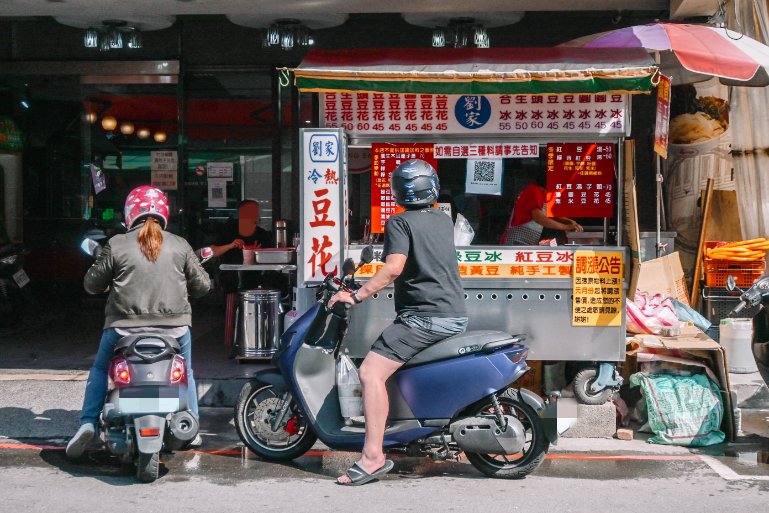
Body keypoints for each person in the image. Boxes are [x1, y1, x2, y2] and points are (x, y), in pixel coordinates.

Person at [328, 159, 468, 486]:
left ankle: (373, 456)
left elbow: (394, 268)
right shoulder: (442, 220)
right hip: (452, 313)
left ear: (398, 192)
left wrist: (357, 295)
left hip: (425, 317)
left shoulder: (400, 223)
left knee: (370, 372)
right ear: (431, 187)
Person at [66, 185, 211, 458]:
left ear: (130, 213)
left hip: (122, 329)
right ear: (165, 213)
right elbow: (203, 286)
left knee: (99, 369)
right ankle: (191, 425)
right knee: (187, 372)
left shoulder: (117, 244)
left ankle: (87, 422)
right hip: (176, 329)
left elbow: (91, 285)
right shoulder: (180, 245)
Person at [501, 170, 583, 245]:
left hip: (527, 240)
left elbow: (548, 213)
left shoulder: (540, 193)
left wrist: (570, 222)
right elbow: (539, 218)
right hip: (518, 239)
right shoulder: (534, 191)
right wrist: (566, 227)